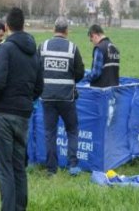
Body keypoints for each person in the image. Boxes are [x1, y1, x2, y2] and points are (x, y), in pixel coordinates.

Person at [0, 7, 43, 211]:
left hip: (4, 114)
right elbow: (39, 86)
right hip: (23, 115)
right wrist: (26, 101)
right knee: (19, 166)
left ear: (7, 26)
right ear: (23, 24)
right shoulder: (34, 51)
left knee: (4, 169)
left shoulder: (6, 49)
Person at [38, 16, 85, 176]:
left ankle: (51, 169)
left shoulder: (43, 46)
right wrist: (69, 81)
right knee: (72, 130)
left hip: (47, 97)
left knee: (50, 133)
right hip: (67, 97)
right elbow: (80, 73)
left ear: (54, 30)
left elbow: (36, 70)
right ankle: (73, 165)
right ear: (66, 31)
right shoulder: (73, 48)